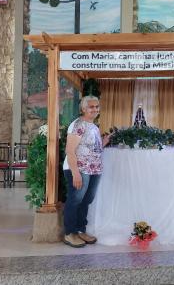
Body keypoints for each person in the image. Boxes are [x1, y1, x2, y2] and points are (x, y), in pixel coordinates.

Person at [62, 95, 110, 248]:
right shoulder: (78, 125)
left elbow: (93, 148)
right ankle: (70, 233)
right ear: (83, 109)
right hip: (79, 169)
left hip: (94, 169)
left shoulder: (94, 126)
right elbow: (69, 150)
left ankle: (80, 230)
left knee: (86, 200)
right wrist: (75, 173)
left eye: (97, 106)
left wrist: (104, 142)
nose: (95, 109)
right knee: (75, 200)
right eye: (91, 107)